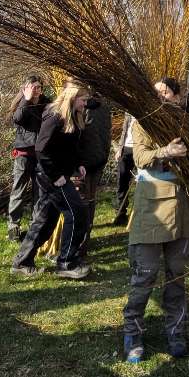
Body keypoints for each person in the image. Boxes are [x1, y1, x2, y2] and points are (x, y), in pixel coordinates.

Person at [122, 79, 189, 363]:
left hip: (182, 208)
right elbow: (139, 157)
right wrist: (165, 152)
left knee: (177, 277)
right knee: (144, 276)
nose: (161, 95)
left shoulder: (185, 124)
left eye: (166, 91)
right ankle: (132, 333)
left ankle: (176, 331)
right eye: (157, 91)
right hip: (151, 209)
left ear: (177, 97)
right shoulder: (143, 122)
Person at [11, 81, 92, 279]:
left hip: (59, 174)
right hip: (52, 177)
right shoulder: (55, 117)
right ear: (72, 98)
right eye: (83, 100)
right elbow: (41, 149)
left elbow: (71, 146)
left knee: (45, 221)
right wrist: (56, 177)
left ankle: (22, 261)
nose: (85, 104)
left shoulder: (73, 116)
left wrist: (78, 163)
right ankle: (66, 262)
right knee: (77, 213)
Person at [6, 75, 50, 241]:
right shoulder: (21, 104)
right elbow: (17, 119)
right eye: (33, 87)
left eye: (39, 87)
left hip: (41, 154)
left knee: (39, 192)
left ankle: (35, 227)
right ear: (25, 88)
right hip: (24, 154)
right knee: (19, 191)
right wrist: (26, 99)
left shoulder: (46, 102)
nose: (37, 90)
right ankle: (14, 227)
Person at [73, 94, 113, 264]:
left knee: (80, 203)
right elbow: (107, 135)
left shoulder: (80, 108)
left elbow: (77, 139)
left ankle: (76, 248)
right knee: (90, 201)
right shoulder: (104, 106)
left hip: (82, 164)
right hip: (98, 160)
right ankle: (84, 245)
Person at [112, 112, 137, 226]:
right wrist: (120, 148)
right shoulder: (128, 111)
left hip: (140, 148)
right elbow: (124, 130)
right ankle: (120, 213)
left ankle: (137, 215)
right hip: (126, 149)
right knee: (122, 181)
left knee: (142, 182)